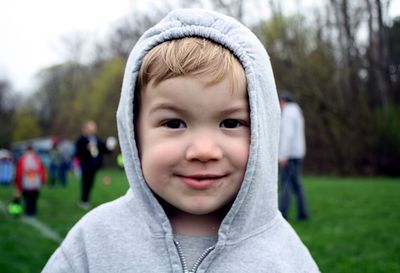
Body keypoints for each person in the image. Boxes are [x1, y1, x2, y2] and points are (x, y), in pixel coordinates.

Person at [43, 9, 319, 272]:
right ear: (133, 132)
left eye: (231, 123)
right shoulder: (93, 242)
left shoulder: (286, 257)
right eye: (173, 123)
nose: (203, 151)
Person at [278, 90, 310, 220]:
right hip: (296, 153)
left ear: (283, 101)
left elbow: (287, 135)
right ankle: (303, 213)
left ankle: (282, 213)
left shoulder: (288, 114)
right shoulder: (296, 112)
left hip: (289, 155)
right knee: (296, 185)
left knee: (286, 184)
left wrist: (283, 155)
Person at [75, 120, 115, 209]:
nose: (92, 130)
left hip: (94, 165)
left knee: (90, 183)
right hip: (85, 165)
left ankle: (86, 200)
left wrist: (110, 148)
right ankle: (84, 201)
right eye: (90, 128)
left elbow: (104, 149)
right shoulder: (81, 140)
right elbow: (78, 152)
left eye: (93, 128)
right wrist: (86, 148)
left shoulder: (96, 139)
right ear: (85, 129)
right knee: (85, 183)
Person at [15, 145, 47, 217]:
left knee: (28, 198)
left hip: (27, 181)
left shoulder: (23, 159)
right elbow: (42, 171)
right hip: (34, 182)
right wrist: (43, 180)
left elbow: (19, 172)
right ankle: (33, 211)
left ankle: (29, 211)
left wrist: (18, 183)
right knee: (33, 198)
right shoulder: (36, 159)